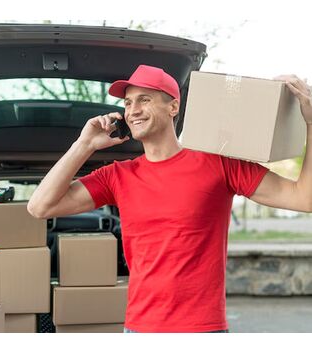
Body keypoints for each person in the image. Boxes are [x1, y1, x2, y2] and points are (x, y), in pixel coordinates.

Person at [27, 64, 312, 333]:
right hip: (139, 328)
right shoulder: (117, 176)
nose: (133, 110)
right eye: (127, 103)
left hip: (202, 330)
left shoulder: (220, 164)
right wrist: (84, 144)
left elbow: (304, 198)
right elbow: (40, 206)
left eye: (144, 100)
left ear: (173, 106)